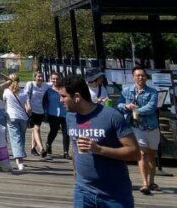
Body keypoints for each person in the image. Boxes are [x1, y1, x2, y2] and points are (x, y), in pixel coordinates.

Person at [60, 74, 139, 207]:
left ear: (77, 97)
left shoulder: (112, 116)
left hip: (114, 195)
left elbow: (135, 153)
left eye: (63, 96)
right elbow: (75, 148)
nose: (60, 100)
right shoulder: (70, 117)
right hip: (83, 192)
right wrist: (76, 175)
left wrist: (99, 149)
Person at [116, 65, 160, 195]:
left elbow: (151, 108)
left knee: (151, 155)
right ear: (133, 77)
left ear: (146, 77)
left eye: (143, 75)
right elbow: (118, 104)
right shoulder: (126, 90)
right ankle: (145, 183)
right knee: (141, 154)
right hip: (135, 127)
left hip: (151, 127)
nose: (140, 77)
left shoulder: (153, 92)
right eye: (138, 75)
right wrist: (126, 106)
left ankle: (152, 181)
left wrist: (134, 110)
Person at [3, 73, 29, 170]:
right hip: (23, 118)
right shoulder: (24, 92)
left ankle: (19, 161)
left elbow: (2, 103)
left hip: (11, 117)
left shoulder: (6, 92)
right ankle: (21, 157)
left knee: (15, 139)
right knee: (21, 138)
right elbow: (29, 108)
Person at [44, 72, 69, 160]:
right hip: (53, 113)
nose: (55, 80)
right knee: (53, 131)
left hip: (65, 113)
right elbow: (45, 102)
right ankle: (48, 145)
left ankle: (66, 152)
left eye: (57, 79)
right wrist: (45, 113)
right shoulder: (48, 90)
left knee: (66, 133)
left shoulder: (64, 89)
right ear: (51, 79)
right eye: (53, 79)